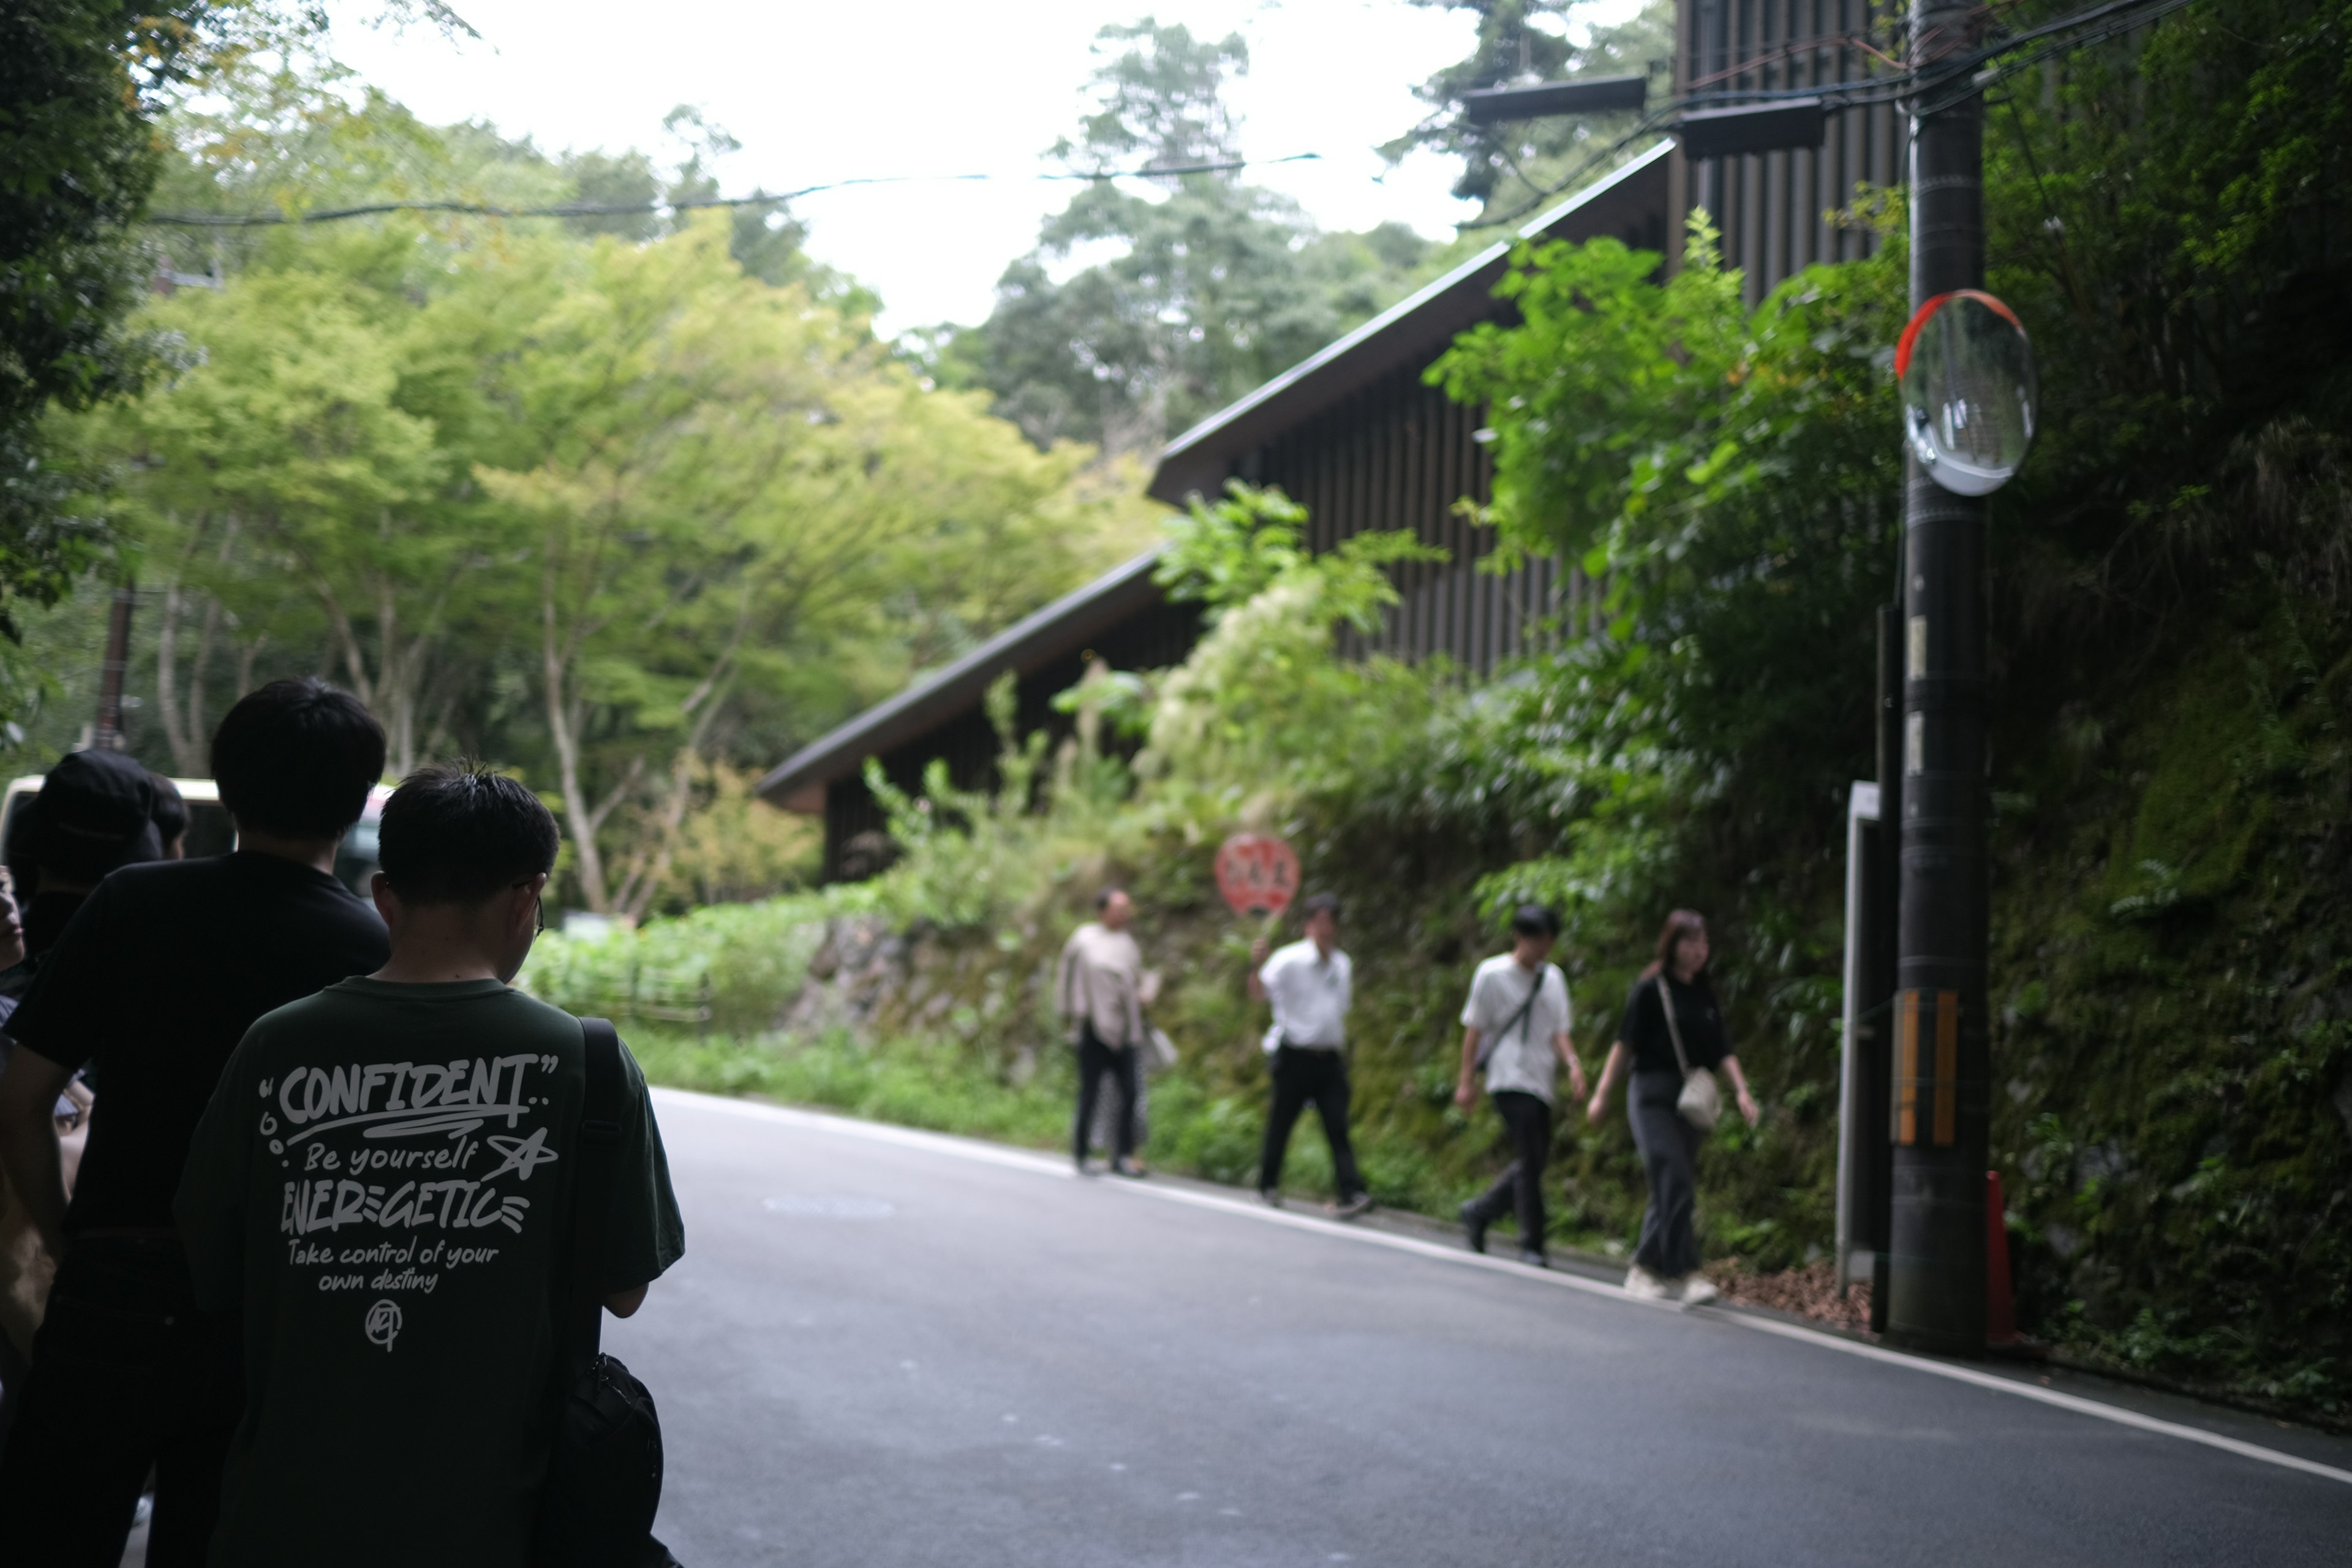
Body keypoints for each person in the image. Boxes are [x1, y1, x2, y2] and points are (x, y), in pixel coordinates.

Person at [176, 760, 685, 1567]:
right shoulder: (585, 1060)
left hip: (283, 1516)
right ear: (527, 899)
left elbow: (211, 1264)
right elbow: (623, 1287)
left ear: (384, 895)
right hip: (494, 1528)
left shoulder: (276, 1043)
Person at [0, 678, 393, 1566]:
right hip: (271, 1314)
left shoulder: (133, 904)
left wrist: (69, 1243)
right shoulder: (373, 954)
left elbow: (23, 1102)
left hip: (111, 1287)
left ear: (229, 778)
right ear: (355, 801)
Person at [1584, 909, 1761, 1304]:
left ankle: (1644, 1269)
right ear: (1672, 944)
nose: (1700, 951)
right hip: (1650, 1094)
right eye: (1691, 942)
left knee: (1671, 1184)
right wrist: (1601, 1095)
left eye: (1704, 942)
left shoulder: (1704, 992)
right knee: (1674, 1176)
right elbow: (1623, 1044)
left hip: (1691, 1100)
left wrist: (1743, 1092)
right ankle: (1687, 1272)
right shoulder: (1651, 989)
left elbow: (1722, 1049)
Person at [1453, 904, 1586, 1267]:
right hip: (1507, 1076)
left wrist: (1573, 1065)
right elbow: (1475, 1030)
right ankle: (1532, 1242)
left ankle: (1480, 1212)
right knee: (1530, 1157)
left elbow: (1561, 1031)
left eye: (1548, 941)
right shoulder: (1492, 974)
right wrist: (1466, 1081)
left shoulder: (1554, 978)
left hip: (1541, 1078)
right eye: (1537, 940)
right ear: (1520, 937)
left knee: (1535, 1160)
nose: (1543, 948)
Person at [1249, 892, 1371, 1218]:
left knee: (1337, 1124)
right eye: (1319, 922)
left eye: (1331, 923)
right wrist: (1257, 966)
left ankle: (1351, 1191)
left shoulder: (1342, 964)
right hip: (1293, 1054)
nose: (1325, 929)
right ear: (1308, 925)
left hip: (1329, 1058)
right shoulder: (1289, 960)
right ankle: (1268, 1184)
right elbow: (1259, 993)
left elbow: (1341, 1008)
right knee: (1281, 1122)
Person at [1057, 887, 1157, 1176]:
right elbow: (1068, 979)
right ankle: (1081, 1153)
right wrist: (1069, 1016)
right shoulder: (1084, 940)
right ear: (1102, 911)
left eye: (1127, 908)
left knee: (1131, 1092)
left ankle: (1122, 1155)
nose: (1124, 913)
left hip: (1126, 1031)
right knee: (1090, 1092)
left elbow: (1138, 978)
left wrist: (1145, 993)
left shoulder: (1127, 943)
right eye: (1118, 907)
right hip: (1093, 1028)